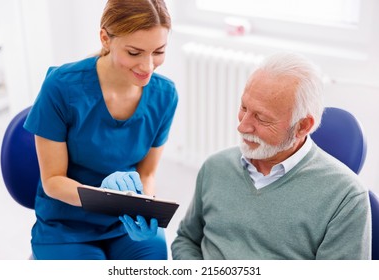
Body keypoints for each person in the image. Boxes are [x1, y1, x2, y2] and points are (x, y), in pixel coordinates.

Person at [171, 52, 371, 260]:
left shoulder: (346, 198)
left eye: (261, 117)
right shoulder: (215, 167)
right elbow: (186, 239)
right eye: (244, 108)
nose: (242, 126)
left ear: (302, 126)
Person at [23, 0, 178, 260]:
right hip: (66, 225)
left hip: (123, 221)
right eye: (134, 52)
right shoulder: (61, 88)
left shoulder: (165, 95)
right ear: (105, 38)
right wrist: (101, 197)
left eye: (159, 51)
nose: (148, 66)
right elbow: (52, 181)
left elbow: (147, 172)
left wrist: (144, 209)